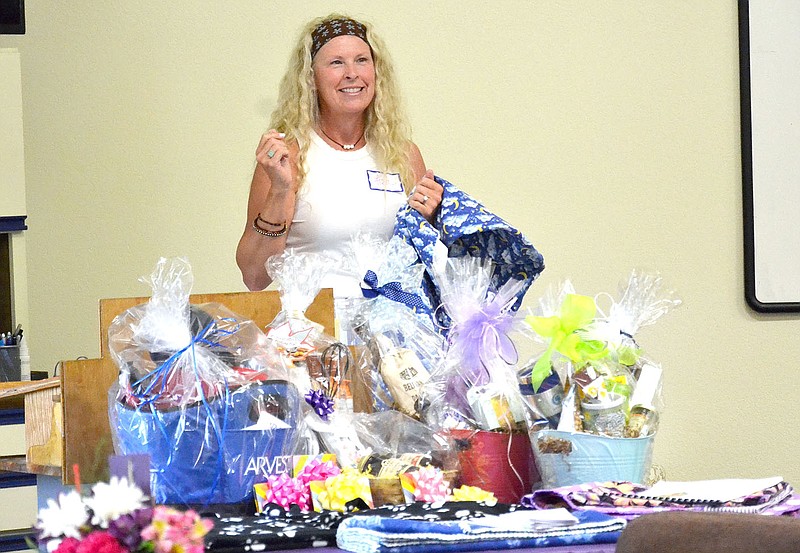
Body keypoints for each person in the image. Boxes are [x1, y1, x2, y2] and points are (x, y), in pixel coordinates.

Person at [236, 14, 443, 296]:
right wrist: (280, 191)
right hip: (314, 333)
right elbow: (255, 276)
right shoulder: (289, 156)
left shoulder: (402, 154)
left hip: (392, 330)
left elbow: (427, 264)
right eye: (336, 62)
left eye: (362, 60)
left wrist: (430, 219)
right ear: (310, 78)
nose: (352, 73)